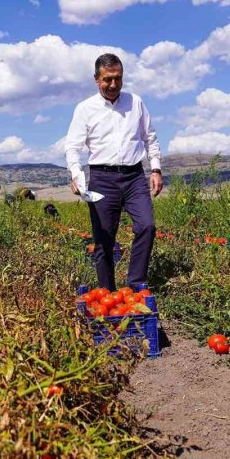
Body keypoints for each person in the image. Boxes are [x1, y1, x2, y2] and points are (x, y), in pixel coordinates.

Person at [64, 53, 162, 291]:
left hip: (134, 177)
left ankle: (136, 284)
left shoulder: (135, 102)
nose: (113, 84)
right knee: (104, 240)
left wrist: (156, 168)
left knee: (147, 226)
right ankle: (107, 294)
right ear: (96, 79)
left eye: (118, 78)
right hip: (102, 179)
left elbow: (150, 137)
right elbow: (72, 147)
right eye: (107, 79)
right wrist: (76, 174)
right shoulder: (85, 109)